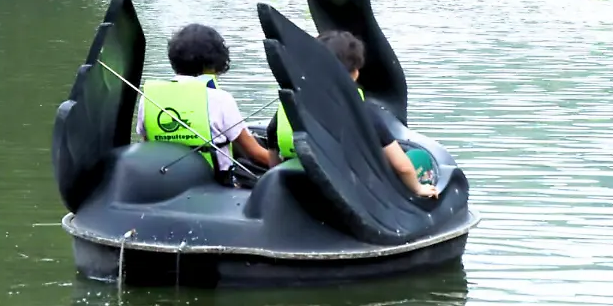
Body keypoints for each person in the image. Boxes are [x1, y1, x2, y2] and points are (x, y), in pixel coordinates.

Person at [268, 31, 438, 198]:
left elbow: (273, 143)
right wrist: (417, 189)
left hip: (294, 181)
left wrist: (275, 173)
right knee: (418, 157)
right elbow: (402, 167)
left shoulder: (288, 107)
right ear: (355, 73)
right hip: (348, 187)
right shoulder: (363, 114)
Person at [136, 24, 274, 187]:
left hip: (167, 182)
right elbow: (254, 154)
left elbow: (147, 144)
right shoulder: (221, 99)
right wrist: (287, 164)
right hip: (215, 183)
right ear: (214, 61)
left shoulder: (150, 98)